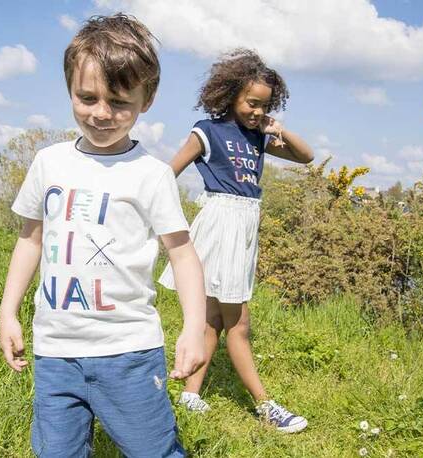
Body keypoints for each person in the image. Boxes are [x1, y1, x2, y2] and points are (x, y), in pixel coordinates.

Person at [0, 14, 206, 457]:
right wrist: (8, 311)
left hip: (128, 353)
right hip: (54, 352)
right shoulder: (48, 163)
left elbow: (182, 255)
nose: (102, 113)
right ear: (69, 90)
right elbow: (29, 239)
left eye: (119, 101)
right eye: (86, 97)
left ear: (146, 98)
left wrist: (191, 328)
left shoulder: (151, 175)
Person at [159, 48, 314, 434]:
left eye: (264, 106)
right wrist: (166, 223)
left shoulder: (258, 135)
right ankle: (266, 406)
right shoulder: (207, 131)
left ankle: (191, 394)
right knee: (239, 325)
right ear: (230, 95)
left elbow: (306, 157)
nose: (257, 111)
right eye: (251, 103)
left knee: (213, 318)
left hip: (245, 226)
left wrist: (278, 130)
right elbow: (167, 174)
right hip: (220, 223)